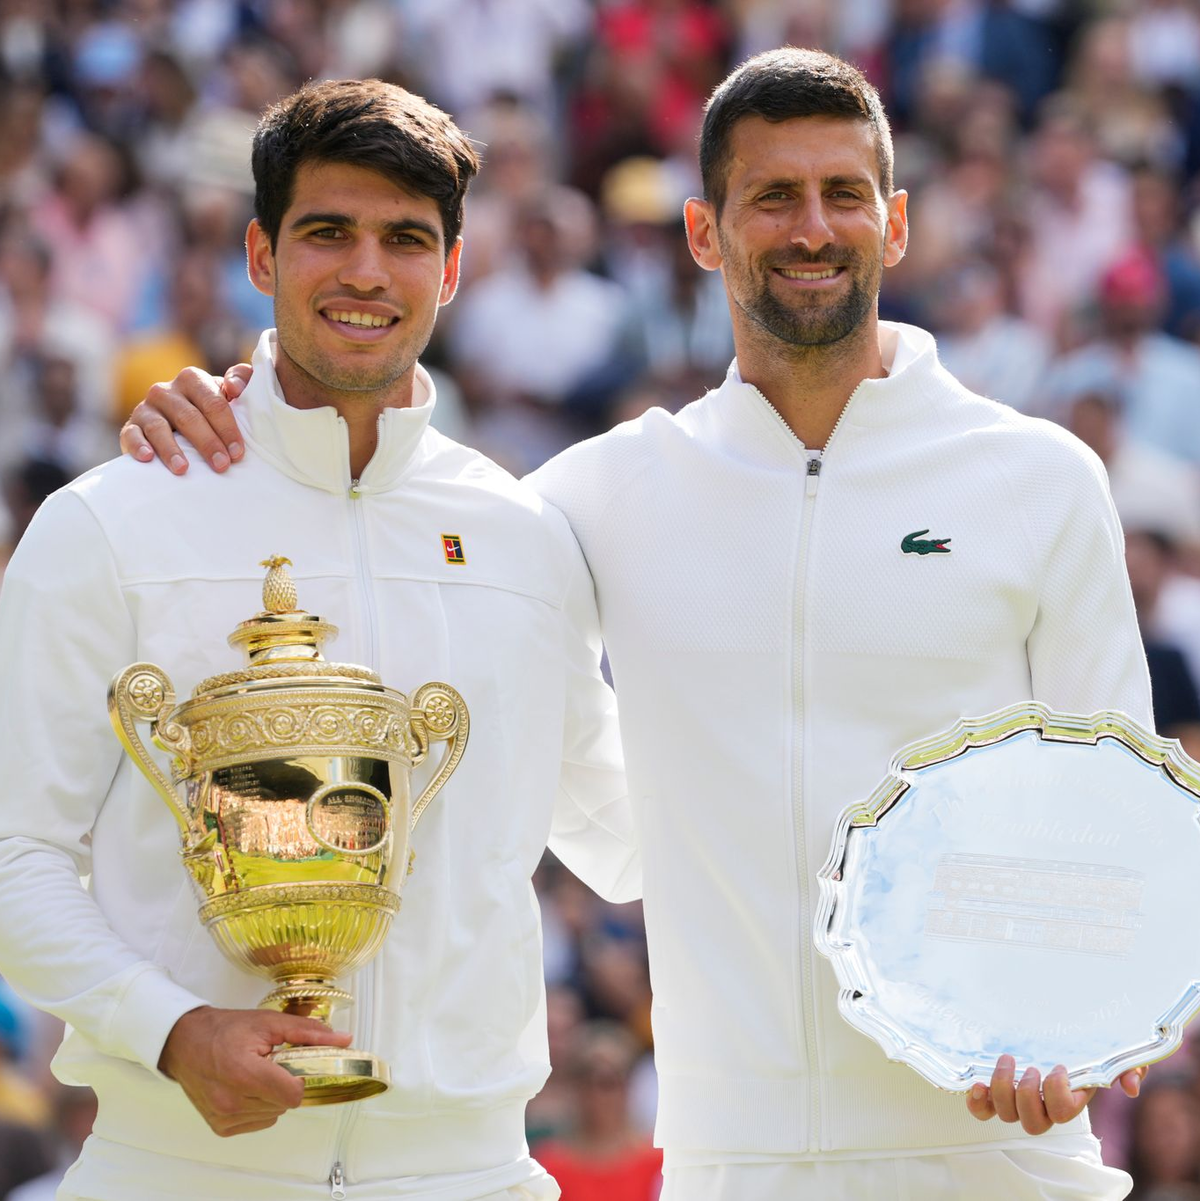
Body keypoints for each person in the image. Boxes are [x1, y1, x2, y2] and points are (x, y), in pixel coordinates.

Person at [121, 50, 1150, 1200]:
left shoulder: (1041, 479)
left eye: (843, 194)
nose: (812, 228)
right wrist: (245, 421)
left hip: (1002, 1152)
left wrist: (1080, 1031)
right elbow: (383, 512)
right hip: (730, 1166)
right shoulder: (596, 494)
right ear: (705, 232)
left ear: (895, 223)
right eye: (772, 197)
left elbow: (1121, 822)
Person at [0, 79, 641, 1201]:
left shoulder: (527, 538)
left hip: (469, 1172)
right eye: (327, 233)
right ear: (260, 252)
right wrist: (171, 1029)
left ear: (449, 271)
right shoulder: (111, 519)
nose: (364, 272)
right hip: (178, 1167)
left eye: (405, 239)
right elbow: (13, 855)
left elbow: (630, 839)